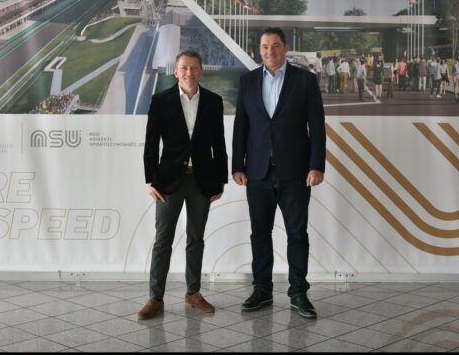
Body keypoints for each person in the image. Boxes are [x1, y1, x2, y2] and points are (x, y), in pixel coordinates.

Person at [232, 27, 326, 319]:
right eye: (264, 46)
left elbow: (317, 126)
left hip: (296, 172)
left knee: (297, 234)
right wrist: (237, 165)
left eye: (274, 45)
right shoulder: (247, 81)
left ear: (285, 47)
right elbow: (241, 126)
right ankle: (262, 290)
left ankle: (298, 293)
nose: (269, 51)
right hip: (257, 172)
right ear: (259, 50)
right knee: (260, 233)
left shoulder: (304, 80)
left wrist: (316, 165)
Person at [140, 49, 228, 320]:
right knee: (163, 240)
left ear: (201, 71)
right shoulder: (161, 100)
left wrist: (221, 180)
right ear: (176, 72)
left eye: (194, 68)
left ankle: (193, 293)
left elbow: (219, 143)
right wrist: (149, 180)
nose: (189, 72)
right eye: (184, 68)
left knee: (196, 239)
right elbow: (151, 143)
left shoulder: (213, 101)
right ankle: (156, 298)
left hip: (202, 181)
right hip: (168, 182)